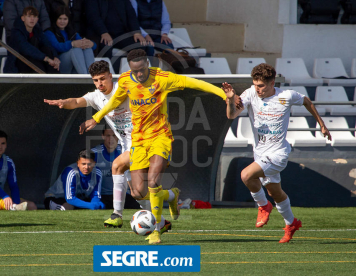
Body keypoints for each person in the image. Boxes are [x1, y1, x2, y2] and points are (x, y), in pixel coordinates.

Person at [79, 49, 240, 244]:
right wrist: (96, 117)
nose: (138, 75)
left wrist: (223, 94)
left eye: (141, 70)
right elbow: (115, 101)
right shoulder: (125, 81)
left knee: (154, 181)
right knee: (138, 192)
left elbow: (194, 83)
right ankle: (172, 196)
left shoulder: (162, 78)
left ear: (147, 64)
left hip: (160, 137)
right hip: (138, 141)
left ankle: (156, 229)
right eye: (134, 71)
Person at [44, 60, 172, 236]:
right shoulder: (96, 96)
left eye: (103, 79)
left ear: (111, 76)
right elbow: (75, 101)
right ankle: (164, 215)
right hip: (127, 146)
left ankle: (117, 214)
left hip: (143, 142)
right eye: (96, 80)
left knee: (117, 165)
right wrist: (62, 102)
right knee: (137, 193)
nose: (100, 84)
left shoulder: (125, 88)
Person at [223, 63, 332, 243]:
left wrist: (322, 124)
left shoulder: (286, 96)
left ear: (272, 82)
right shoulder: (250, 93)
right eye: (255, 84)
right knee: (276, 193)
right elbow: (231, 115)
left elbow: (306, 101)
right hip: (260, 153)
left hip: (278, 154)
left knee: (246, 175)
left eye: (261, 86)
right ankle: (292, 223)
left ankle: (263, 206)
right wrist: (230, 99)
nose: (257, 89)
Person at [92, 126, 140, 210]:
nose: (111, 139)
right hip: (103, 196)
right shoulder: (94, 153)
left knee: (138, 205)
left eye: (114, 135)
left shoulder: (124, 152)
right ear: (102, 136)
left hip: (124, 195)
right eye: (108, 136)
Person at [3, 6, 60, 73]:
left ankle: (54, 79)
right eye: (29, 16)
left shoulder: (37, 30)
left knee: (46, 49)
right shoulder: (16, 32)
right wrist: (46, 59)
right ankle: (44, 79)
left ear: (37, 19)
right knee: (32, 56)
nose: (32, 19)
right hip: (19, 63)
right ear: (23, 18)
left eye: (34, 16)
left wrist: (55, 57)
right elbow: (26, 48)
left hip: (35, 61)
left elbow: (47, 43)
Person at [44, 6, 95, 74]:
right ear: (55, 19)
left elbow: (86, 44)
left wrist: (91, 44)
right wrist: (72, 44)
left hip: (74, 67)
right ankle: (86, 78)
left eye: (65, 19)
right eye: (60, 18)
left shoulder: (72, 32)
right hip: (58, 64)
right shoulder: (49, 32)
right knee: (75, 50)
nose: (62, 21)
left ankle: (92, 76)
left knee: (87, 48)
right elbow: (57, 47)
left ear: (68, 20)